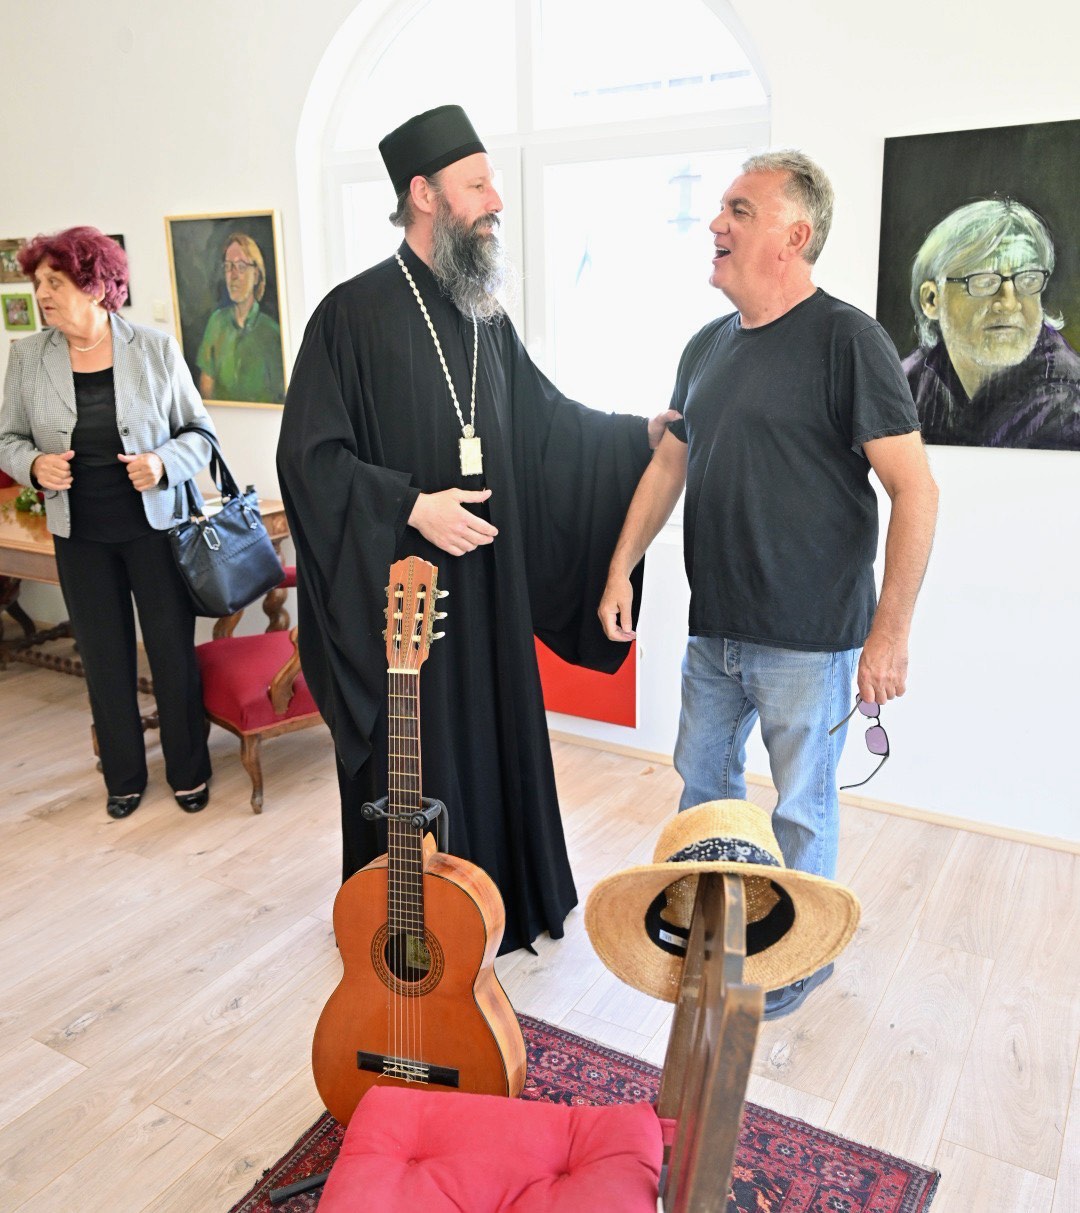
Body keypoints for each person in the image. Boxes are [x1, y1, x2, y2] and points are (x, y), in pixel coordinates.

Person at [277, 105, 674, 954]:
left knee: (491, 742)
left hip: (487, 593)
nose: (497, 200)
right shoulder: (348, 317)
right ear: (424, 194)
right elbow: (309, 460)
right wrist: (410, 506)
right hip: (402, 605)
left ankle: (502, 903)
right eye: (479, 184)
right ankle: (413, 925)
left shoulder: (484, 315)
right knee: (417, 758)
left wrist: (636, 435)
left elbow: (546, 425)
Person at [599, 151, 939, 1016]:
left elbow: (915, 489)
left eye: (739, 210)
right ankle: (714, 946)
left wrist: (890, 634)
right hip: (715, 630)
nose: (716, 222)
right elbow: (669, 464)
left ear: (794, 235)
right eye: (721, 207)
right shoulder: (705, 345)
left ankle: (795, 963)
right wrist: (621, 564)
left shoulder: (847, 340)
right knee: (704, 798)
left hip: (810, 639)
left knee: (801, 812)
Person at [0, 226, 216, 818]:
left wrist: (162, 463)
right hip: (81, 537)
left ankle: (189, 772)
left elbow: (200, 434)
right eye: (38, 282)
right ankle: (123, 779)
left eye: (55, 282)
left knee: (171, 655)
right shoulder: (27, 357)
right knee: (104, 660)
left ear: (96, 287)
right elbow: (7, 439)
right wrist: (34, 465)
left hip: (155, 532)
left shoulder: (154, 349)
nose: (42, 294)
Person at [902, 198, 1080, 449]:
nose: (1009, 303)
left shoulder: (1068, 403)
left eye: (1028, 280)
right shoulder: (906, 382)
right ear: (932, 299)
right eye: (984, 282)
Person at [197, 231, 284, 404]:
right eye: (228, 266)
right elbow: (206, 386)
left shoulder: (272, 333)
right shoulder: (217, 322)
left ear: (256, 275)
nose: (233, 275)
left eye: (241, 267)